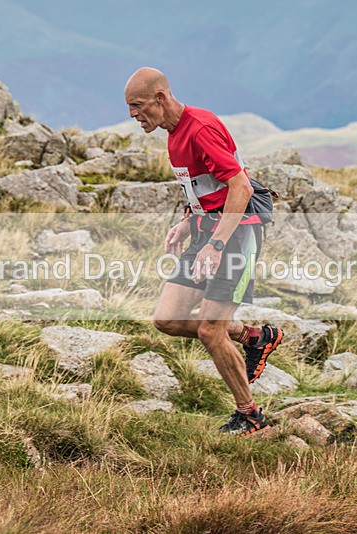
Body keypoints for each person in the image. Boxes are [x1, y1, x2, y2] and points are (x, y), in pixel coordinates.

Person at [124, 67, 284, 437]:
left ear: (161, 98)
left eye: (137, 105)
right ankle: (254, 337)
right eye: (130, 107)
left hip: (236, 235)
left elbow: (240, 187)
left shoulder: (201, 128)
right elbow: (204, 188)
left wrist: (215, 245)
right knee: (166, 319)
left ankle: (250, 416)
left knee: (211, 331)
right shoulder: (173, 134)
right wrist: (186, 221)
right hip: (204, 233)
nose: (133, 114)